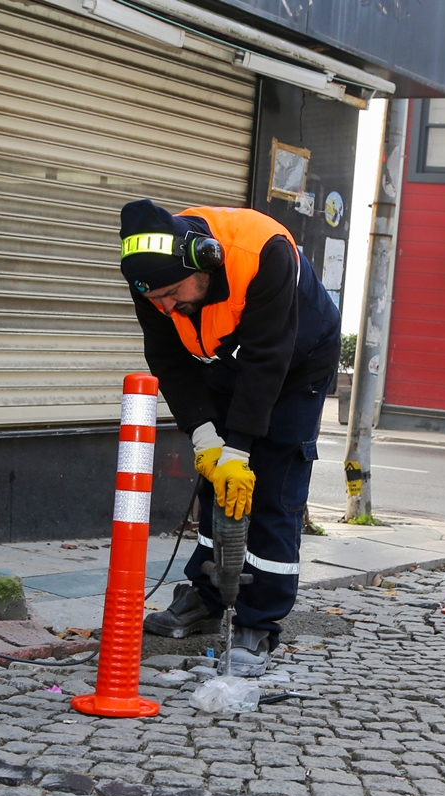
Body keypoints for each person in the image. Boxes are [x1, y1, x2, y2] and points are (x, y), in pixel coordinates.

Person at [119, 199, 341, 676]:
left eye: (172, 294)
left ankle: (258, 622)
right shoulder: (151, 278)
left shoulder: (264, 253)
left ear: (204, 260)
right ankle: (208, 596)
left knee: (272, 485)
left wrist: (239, 450)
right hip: (220, 363)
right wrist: (207, 440)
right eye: (155, 299)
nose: (166, 307)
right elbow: (168, 360)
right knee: (216, 484)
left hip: (295, 364)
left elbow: (267, 362)